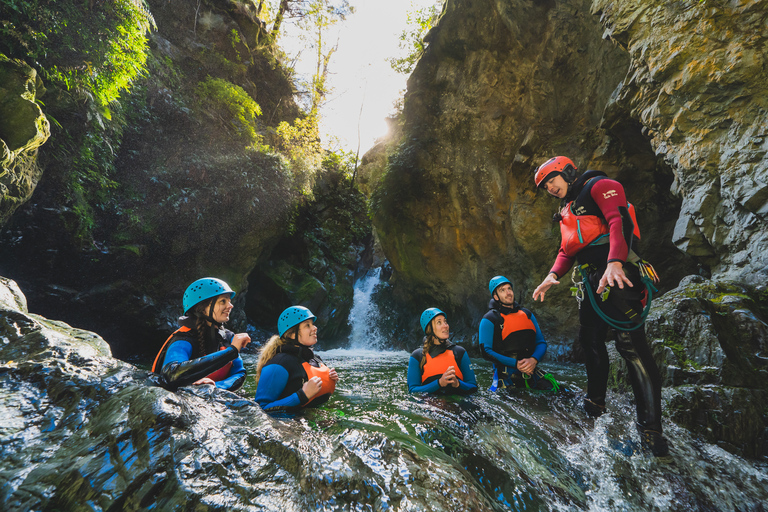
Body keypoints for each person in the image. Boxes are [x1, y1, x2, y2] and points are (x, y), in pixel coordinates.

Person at [531, 156, 669, 456]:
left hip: (619, 274)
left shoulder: (601, 185)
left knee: (630, 344)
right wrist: (551, 276)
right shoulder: (567, 208)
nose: (550, 187)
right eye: (545, 186)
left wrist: (616, 262)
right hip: (591, 280)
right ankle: (595, 405)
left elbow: (619, 221)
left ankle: (651, 430)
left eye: (552, 179)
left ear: (567, 172)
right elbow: (567, 250)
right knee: (590, 341)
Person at [152, 277, 250, 391]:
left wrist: (215, 387)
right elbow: (171, 374)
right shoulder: (183, 339)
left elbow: (239, 373)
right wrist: (231, 352)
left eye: (229, 301)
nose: (230, 305)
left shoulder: (227, 337)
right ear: (202, 308)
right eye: (223, 301)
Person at [479, 276, 559, 392]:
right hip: (506, 375)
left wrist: (533, 360)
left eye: (509, 289)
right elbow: (486, 351)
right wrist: (516, 364)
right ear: (495, 297)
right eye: (502, 290)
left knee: (561, 393)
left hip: (531, 370)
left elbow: (541, 342)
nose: (508, 293)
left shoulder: (527, 314)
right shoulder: (489, 319)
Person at [254, 305, 339, 411]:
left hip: (311, 417)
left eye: (312, 324)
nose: (315, 328)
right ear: (292, 334)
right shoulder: (279, 363)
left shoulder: (315, 359)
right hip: (284, 424)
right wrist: (302, 395)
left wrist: (329, 380)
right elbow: (261, 408)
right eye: (307, 325)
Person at [407, 308, 478, 395]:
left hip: (457, 403)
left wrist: (457, 383)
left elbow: (473, 387)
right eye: (439, 322)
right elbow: (413, 390)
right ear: (429, 329)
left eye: (445, 321)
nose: (445, 325)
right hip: (430, 404)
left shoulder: (459, 352)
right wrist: (439, 383)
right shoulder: (417, 356)